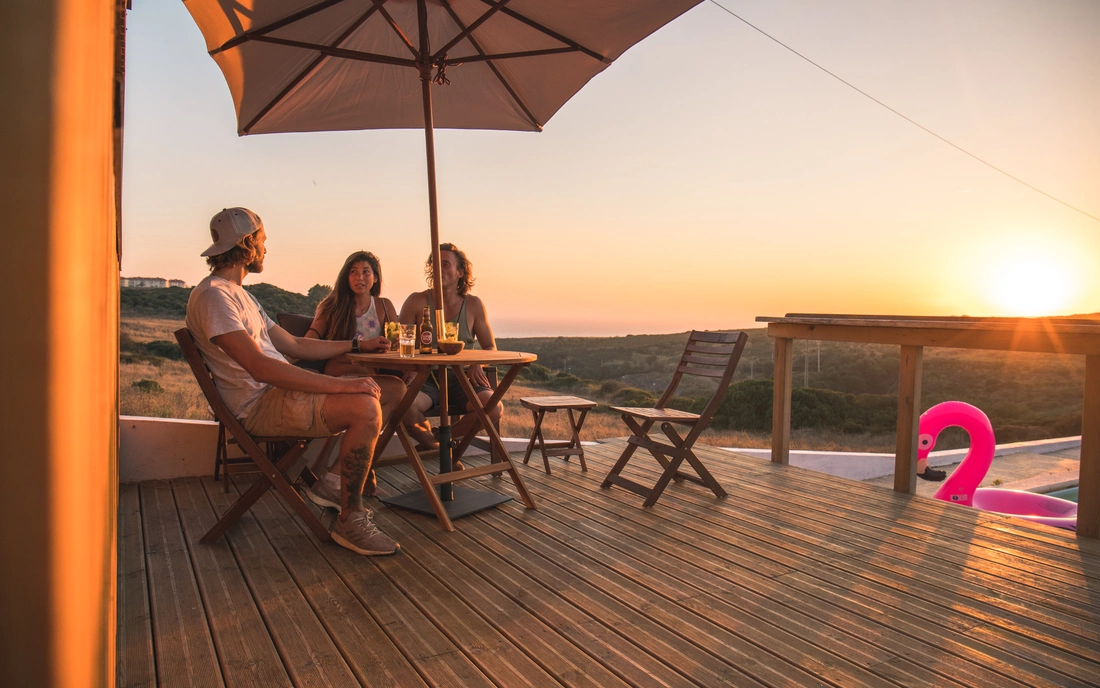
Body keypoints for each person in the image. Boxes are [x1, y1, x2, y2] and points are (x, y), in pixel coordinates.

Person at [185, 207, 400, 556]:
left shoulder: (243, 296)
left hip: (280, 394)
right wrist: (345, 385)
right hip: (261, 404)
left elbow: (297, 345)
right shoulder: (214, 296)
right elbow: (260, 368)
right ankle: (350, 518)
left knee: (392, 390)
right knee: (364, 406)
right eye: (263, 240)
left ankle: (332, 483)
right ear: (247, 243)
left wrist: (359, 345)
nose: (266, 248)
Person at [304, 250, 405, 498]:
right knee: (395, 392)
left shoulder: (383, 306)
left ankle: (332, 468)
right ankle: (345, 472)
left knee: (392, 391)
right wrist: (287, 353)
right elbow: (310, 339)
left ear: (376, 278)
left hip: (369, 377)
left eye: (366, 272)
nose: (360, 277)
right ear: (346, 277)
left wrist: (393, 349)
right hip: (338, 374)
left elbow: (398, 341)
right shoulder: (332, 305)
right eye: (354, 272)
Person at [398, 243, 500, 456]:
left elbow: (490, 346)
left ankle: (440, 440)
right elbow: (402, 342)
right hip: (427, 379)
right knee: (404, 407)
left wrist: (477, 363)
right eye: (434, 264)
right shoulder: (416, 301)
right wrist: (410, 366)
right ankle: (441, 451)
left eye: (445, 264)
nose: (438, 269)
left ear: (460, 272)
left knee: (494, 407)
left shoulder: (473, 305)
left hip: (463, 378)